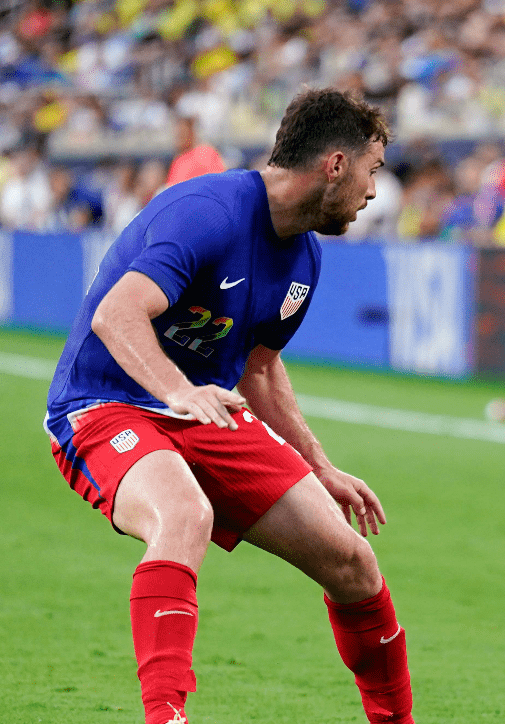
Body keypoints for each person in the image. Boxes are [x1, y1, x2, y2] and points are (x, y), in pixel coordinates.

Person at [43, 88, 414, 724]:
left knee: (353, 563)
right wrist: (179, 392)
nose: (374, 191)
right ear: (335, 164)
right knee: (182, 514)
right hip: (105, 406)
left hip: (207, 411)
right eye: (372, 170)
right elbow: (117, 313)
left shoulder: (304, 257)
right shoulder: (207, 212)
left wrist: (318, 462)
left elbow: (261, 370)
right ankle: (166, 717)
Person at [165, 115, 226, 187]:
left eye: (182, 134)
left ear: (192, 132)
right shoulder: (178, 161)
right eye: (177, 135)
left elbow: (219, 182)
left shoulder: (205, 152)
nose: (179, 139)